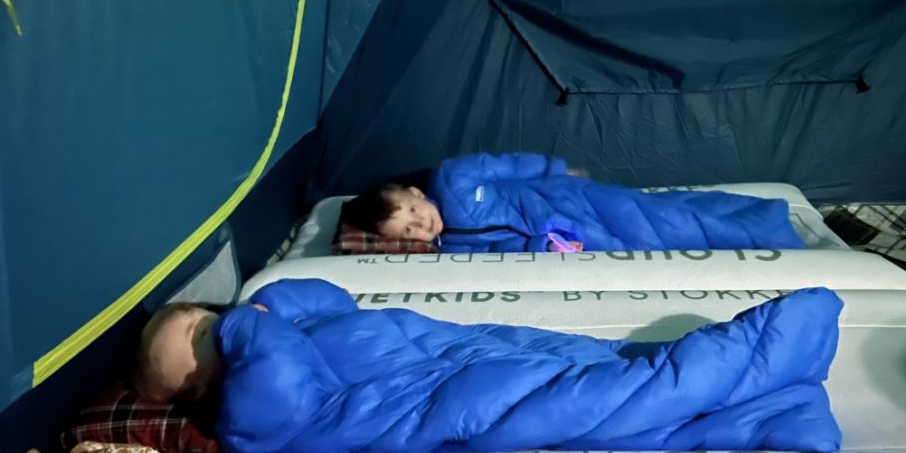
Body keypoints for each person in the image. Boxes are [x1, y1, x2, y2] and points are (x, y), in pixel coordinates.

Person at [135, 278, 843, 453]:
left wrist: (258, 309)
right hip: (446, 397)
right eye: (195, 370)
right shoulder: (250, 416)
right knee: (599, 401)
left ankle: (765, 376)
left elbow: (333, 299)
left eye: (201, 328)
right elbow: (285, 396)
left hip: (472, 351)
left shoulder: (284, 318)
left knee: (594, 361)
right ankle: (776, 385)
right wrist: (240, 327)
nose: (214, 350)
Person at [339, 152, 804, 252]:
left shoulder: (455, 177)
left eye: (415, 212)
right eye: (409, 231)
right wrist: (545, 250)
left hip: (563, 199)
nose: (423, 226)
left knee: (661, 214)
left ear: (416, 193)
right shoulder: (453, 251)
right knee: (648, 237)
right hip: (567, 234)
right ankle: (762, 222)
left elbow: (510, 165)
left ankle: (767, 224)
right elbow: (504, 253)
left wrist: (556, 170)